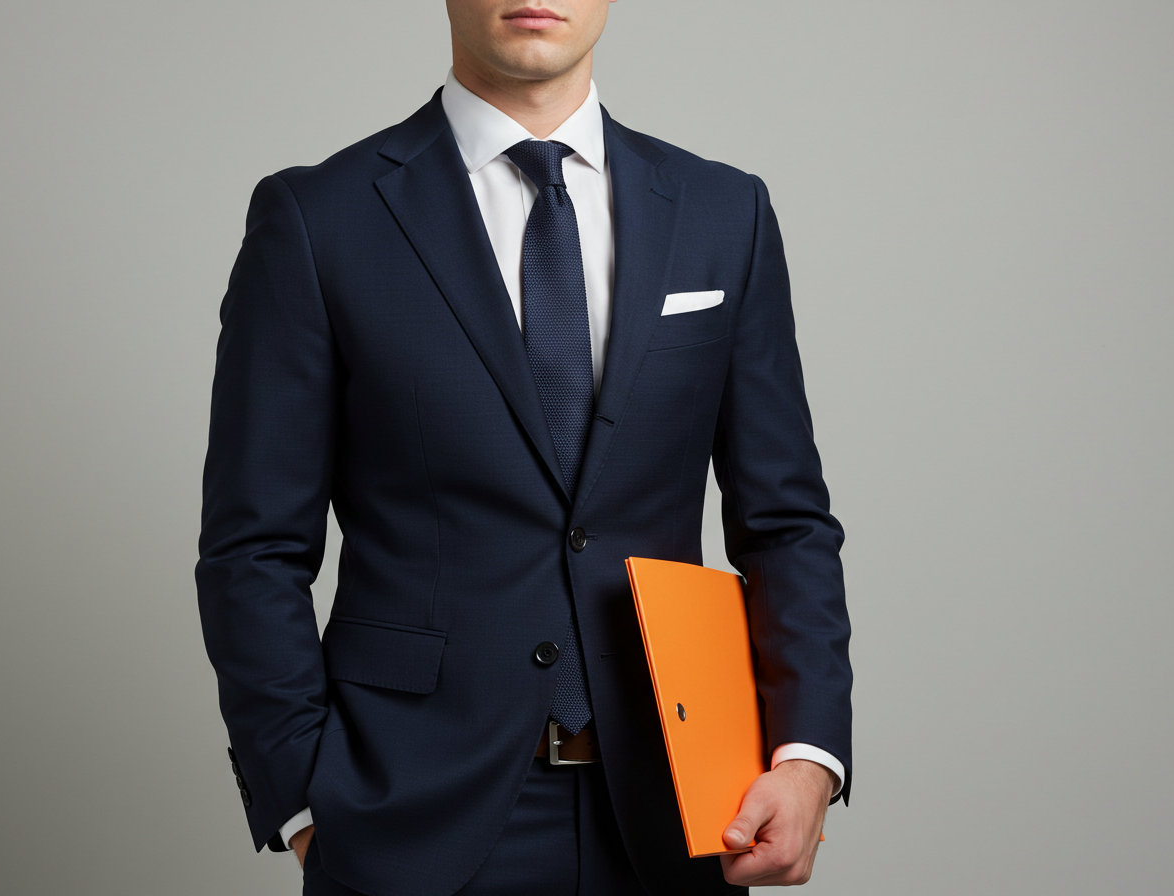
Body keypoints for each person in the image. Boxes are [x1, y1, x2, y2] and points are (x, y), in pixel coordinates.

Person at [196, 1, 852, 893]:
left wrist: (807, 755)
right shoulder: (318, 219)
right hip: (411, 815)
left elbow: (786, 521)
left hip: (677, 810)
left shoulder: (722, 212)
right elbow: (252, 547)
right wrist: (305, 800)